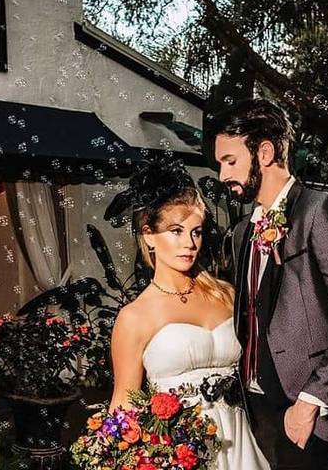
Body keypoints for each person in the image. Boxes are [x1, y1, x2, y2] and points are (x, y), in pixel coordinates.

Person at [212, 98, 328, 469]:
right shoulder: (242, 232)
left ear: (265, 152)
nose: (223, 175)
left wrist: (310, 402)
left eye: (230, 162)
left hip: (310, 413)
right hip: (258, 411)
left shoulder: (319, 211)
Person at [107, 157, 271, 470]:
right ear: (149, 236)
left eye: (196, 232)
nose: (189, 243)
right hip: (180, 453)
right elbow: (124, 404)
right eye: (176, 231)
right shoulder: (135, 317)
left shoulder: (227, 295)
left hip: (242, 444)